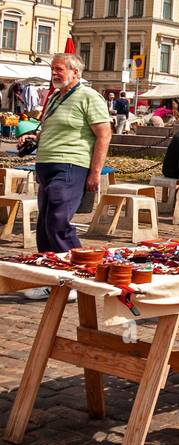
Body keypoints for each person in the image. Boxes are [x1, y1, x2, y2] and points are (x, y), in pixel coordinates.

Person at [21, 52, 112, 301]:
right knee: (44, 226)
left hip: (71, 165)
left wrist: (95, 172)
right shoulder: (55, 99)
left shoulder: (88, 96)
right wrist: (33, 139)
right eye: (53, 69)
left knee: (58, 221)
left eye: (60, 69)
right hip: (47, 165)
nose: (54, 73)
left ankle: (80, 274)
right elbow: (51, 130)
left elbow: (104, 135)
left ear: (76, 72)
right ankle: (53, 279)